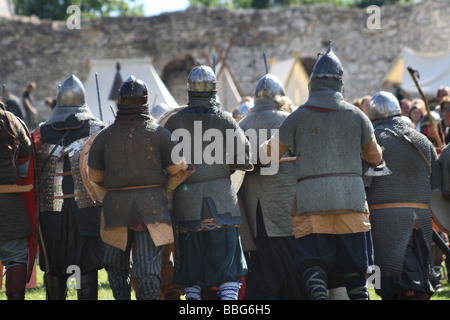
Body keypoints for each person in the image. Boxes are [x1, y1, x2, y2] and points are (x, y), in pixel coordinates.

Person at [260, 41, 383, 300]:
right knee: (354, 265)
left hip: (312, 203)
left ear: (313, 81)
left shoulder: (298, 116)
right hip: (351, 202)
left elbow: (268, 155)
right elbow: (374, 157)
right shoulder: (358, 116)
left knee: (314, 263)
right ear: (340, 81)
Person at [87, 76, 191, 300]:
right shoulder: (160, 134)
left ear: (120, 102)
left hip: (116, 208)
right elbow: (180, 170)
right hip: (152, 207)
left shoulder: (104, 137)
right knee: (147, 271)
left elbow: (95, 176)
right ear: (145, 102)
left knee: (116, 268)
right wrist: (163, 187)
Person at [164, 65, 251, 300]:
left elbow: (163, 161)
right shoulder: (224, 119)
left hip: (186, 205)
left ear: (190, 90)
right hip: (221, 204)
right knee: (228, 270)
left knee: (191, 271)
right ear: (213, 90)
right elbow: (244, 156)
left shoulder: (173, 122)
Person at [33, 75, 106, 300]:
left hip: (51, 214)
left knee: (56, 267)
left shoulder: (40, 132)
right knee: (85, 265)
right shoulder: (97, 129)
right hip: (85, 212)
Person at [364, 91, 441, 300]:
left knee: (391, 283)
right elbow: (437, 184)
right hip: (421, 219)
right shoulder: (422, 140)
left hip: (385, 221)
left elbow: (363, 184)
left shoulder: (374, 140)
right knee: (417, 275)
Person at [237, 72, 302, 300]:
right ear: (281, 97)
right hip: (285, 211)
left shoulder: (240, 125)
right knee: (294, 281)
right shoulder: (290, 121)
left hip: (253, 216)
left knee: (263, 282)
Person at [0, 101, 33, 300]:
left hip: (9, 200)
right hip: (9, 200)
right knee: (15, 258)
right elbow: (26, 152)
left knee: (15, 256)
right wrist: (17, 174)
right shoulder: (9, 120)